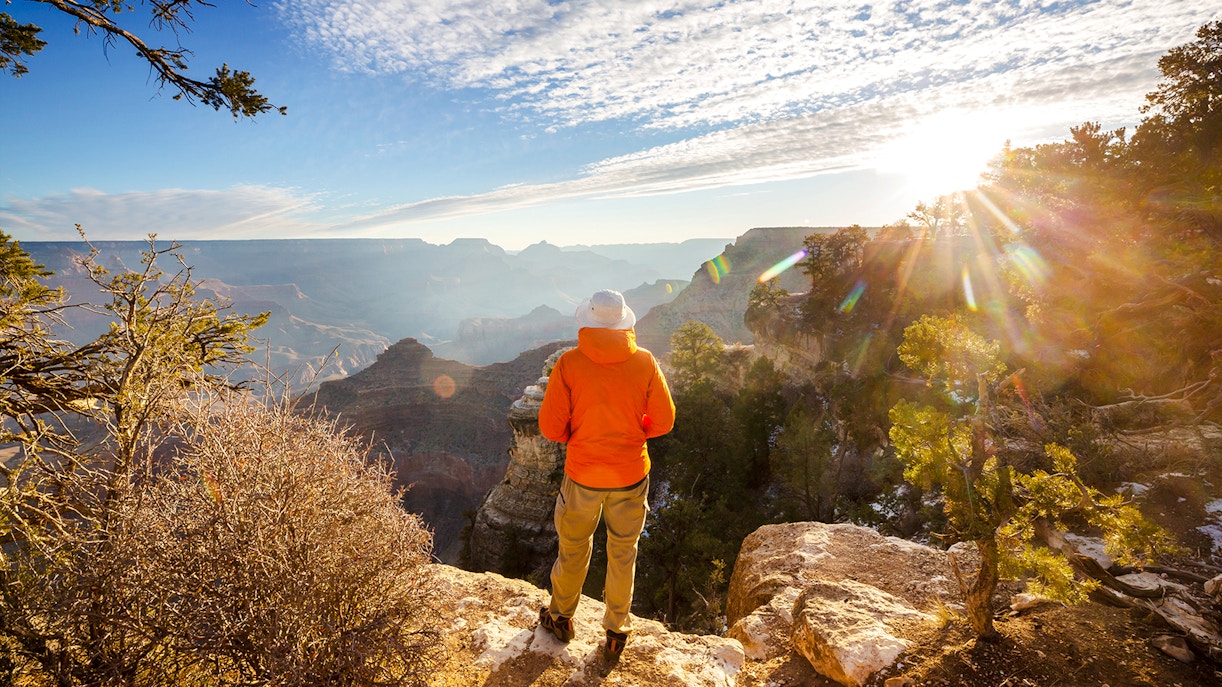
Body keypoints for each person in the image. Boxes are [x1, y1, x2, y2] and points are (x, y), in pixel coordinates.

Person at [536, 289, 675, 661]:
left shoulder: (569, 364)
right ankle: (616, 630)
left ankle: (561, 617)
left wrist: (578, 437)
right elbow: (663, 421)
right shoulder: (645, 362)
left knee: (574, 548)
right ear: (623, 321)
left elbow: (551, 427)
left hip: (582, 476)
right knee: (623, 552)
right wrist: (632, 431)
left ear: (589, 320)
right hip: (630, 476)